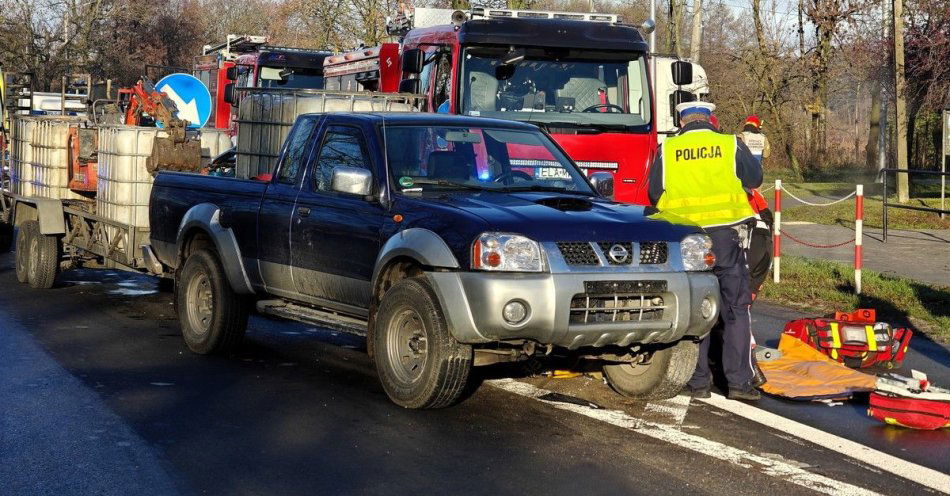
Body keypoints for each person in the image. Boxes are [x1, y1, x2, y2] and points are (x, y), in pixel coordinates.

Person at [648, 102, 764, 401]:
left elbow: (655, 193)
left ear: (680, 120)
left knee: (696, 308)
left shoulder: (668, 148)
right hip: (726, 237)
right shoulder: (729, 144)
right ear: (711, 118)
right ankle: (738, 383)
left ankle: (698, 383)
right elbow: (755, 180)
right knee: (736, 308)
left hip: (687, 239)